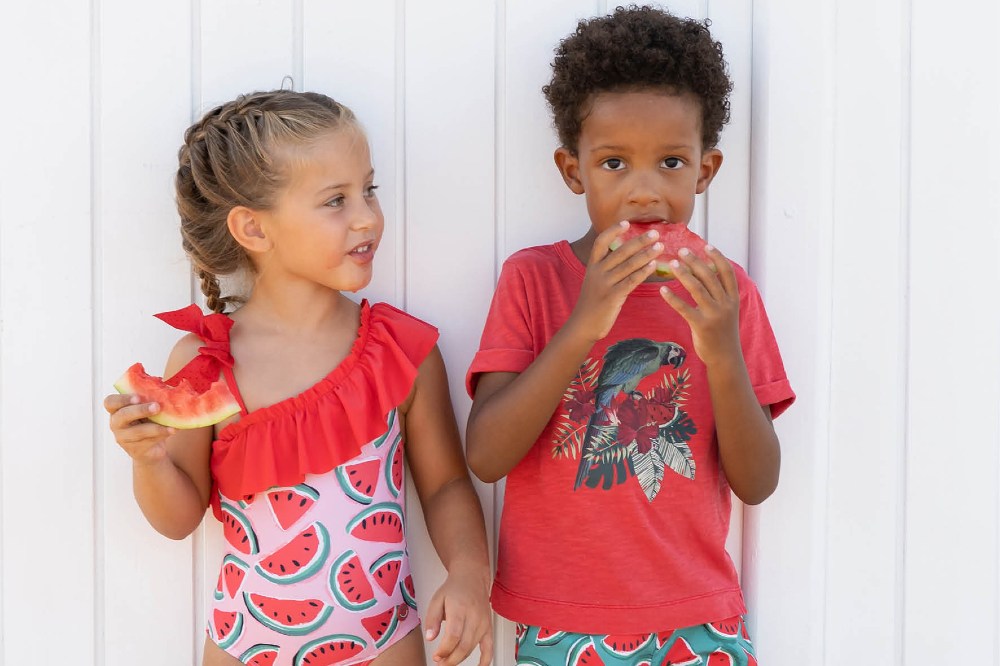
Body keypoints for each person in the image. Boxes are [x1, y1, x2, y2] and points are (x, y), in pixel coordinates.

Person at [104, 90, 492, 666]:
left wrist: (469, 574)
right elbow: (177, 518)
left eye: (369, 190)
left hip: (384, 643)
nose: (367, 216)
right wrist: (149, 459)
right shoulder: (206, 361)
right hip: (243, 645)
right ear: (254, 230)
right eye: (336, 200)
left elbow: (445, 486)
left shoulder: (399, 350)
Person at [465, 6, 795, 665]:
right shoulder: (533, 280)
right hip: (560, 619)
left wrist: (723, 351)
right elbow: (486, 455)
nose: (644, 191)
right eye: (614, 163)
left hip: (697, 617)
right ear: (573, 170)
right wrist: (586, 321)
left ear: (705, 171)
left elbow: (757, 481)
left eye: (671, 162)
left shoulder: (725, 294)